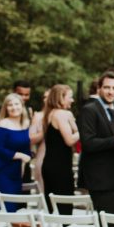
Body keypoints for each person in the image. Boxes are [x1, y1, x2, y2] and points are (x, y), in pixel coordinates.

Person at [77, 71, 114, 217]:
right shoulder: (89, 110)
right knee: (108, 223)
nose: (111, 92)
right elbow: (88, 143)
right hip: (101, 178)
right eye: (107, 87)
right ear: (99, 88)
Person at [0, 93, 31, 211]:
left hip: (16, 172)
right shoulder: (3, 123)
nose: (14, 107)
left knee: (13, 208)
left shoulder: (25, 124)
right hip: (1, 171)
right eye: (10, 105)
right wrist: (20, 156)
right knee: (6, 208)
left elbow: (26, 148)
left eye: (16, 104)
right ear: (6, 108)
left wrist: (24, 163)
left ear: (22, 105)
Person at [41, 85, 79, 214]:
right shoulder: (62, 114)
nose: (72, 100)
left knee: (52, 207)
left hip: (49, 164)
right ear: (60, 98)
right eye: (70, 97)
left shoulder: (49, 113)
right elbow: (70, 140)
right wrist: (85, 132)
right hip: (60, 167)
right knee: (64, 206)